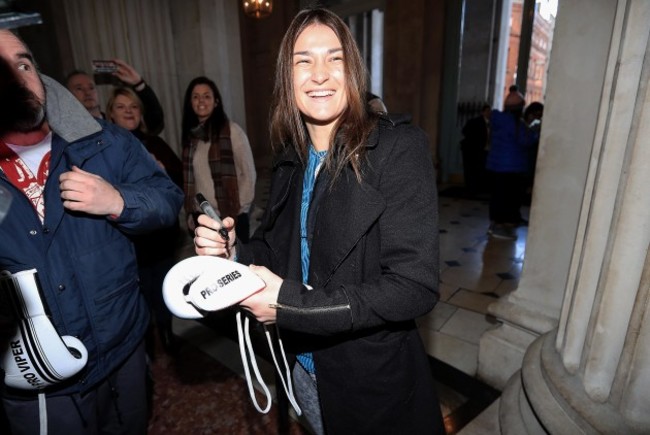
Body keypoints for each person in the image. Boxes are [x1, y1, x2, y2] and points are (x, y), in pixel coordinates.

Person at [193, 8, 445, 434]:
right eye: (303, 61)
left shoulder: (397, 149)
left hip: (369, 385)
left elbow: (414, 287)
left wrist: (289, 305)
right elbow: (276, 251)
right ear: (286, 80)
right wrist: (232, 251)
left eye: (335, 59)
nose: (320, 75)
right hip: (303, 370)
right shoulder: (291, 159)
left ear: (354, 71)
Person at [0, 29, 184, 434]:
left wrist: (118, 201)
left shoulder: (105, 144)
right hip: (39, 385)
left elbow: (168, 200)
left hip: (122, 353)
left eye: (23, 63)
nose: (15, 75)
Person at [106, 86, 183, 354]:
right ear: (110, 114)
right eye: (121, 107)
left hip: (159, 237)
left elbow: (177, 187)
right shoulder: (103, 149)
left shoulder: (154, 144)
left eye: (134, 106)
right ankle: (145, 344)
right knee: (137, 296)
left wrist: (163, 174)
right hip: (125, 240)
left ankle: (167, 333)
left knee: (163, 289)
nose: (128, 111)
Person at [181, 76, 256, 243]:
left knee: (235, 266)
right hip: (203, 216)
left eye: (207, 96)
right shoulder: (192, 138)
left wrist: (237, 211)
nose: (201, 100)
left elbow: (248, 174)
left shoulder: (232, 132)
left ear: (216, 102)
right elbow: (193, 181)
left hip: (230, 215)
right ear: (190, 103)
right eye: (195, 96)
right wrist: (191, 213)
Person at [486, 89, 539, 240]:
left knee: (498, 196)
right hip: (511, 167)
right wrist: (535, 132)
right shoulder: (515, 124)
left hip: (497, 166)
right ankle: (499, 227)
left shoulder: (499, 119)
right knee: (507, 198)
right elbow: (525, 141)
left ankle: (502, 222)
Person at [64, 58, 165, 135]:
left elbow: (155, 123)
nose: (87, 92)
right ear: (67, 96)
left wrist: (139, 83)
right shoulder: (68, 133)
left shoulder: (116, 124)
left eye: (91, 88)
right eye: (79, 88)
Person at [460, 103, 491, 197]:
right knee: (471, 170)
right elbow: (465, 132)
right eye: (487, 111)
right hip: (473, 150)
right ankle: (471, 189)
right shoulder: (475, 121)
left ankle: (479, 188)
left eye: (490, 111)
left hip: (484, 150)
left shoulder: (491, 123)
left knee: (481, 169)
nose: (489, 113)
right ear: (482, 112)